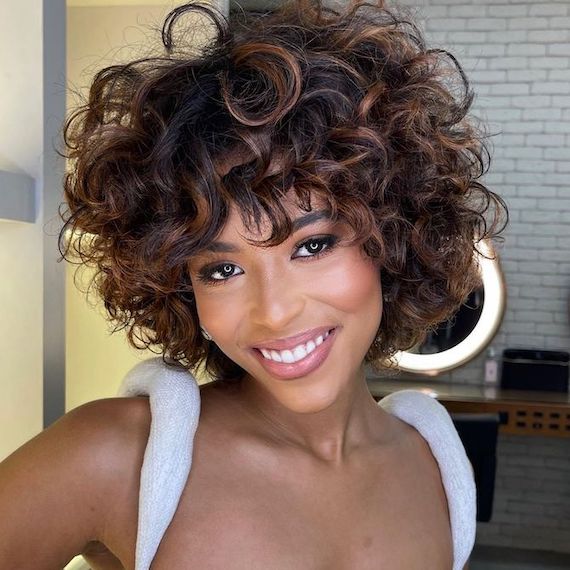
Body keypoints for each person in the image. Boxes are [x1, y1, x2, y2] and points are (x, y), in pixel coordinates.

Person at [0, 0, 508, 568]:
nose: (274, 312)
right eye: (222, 270)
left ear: (392, 238)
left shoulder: (433, 465)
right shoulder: (116, 455)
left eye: (312, 246)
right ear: (180, 286)